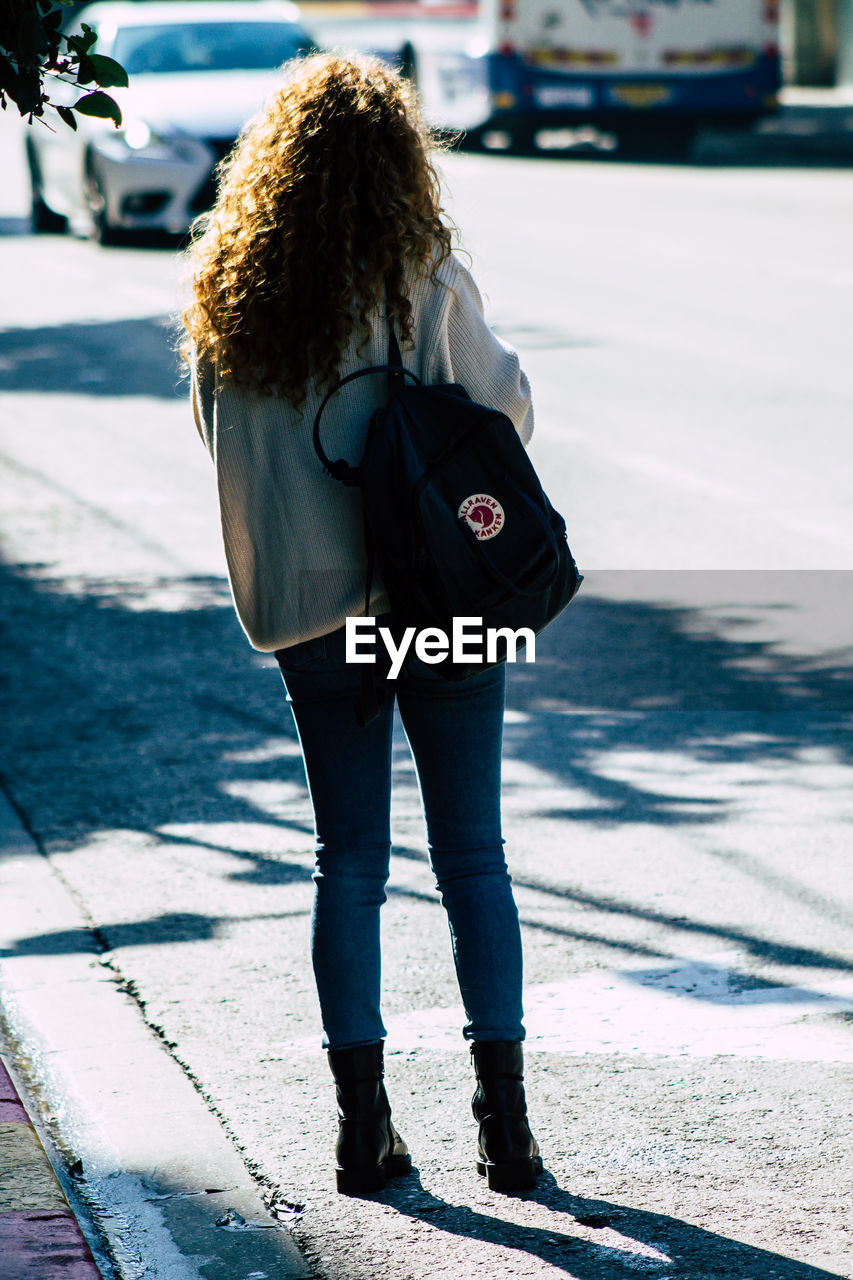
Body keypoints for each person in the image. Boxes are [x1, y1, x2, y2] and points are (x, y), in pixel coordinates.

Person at [182, 52, 542, 1196]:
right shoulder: (418, 275)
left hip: (313, 613)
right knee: (472, 856)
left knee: (349, 861)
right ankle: (508, 1128)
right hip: (435, 600)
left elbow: (220, 434)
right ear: (397, 162)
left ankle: (362, 1128)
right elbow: (506, 409)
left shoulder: (233, 291)